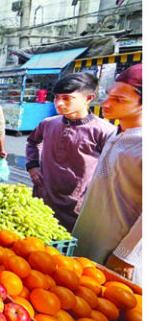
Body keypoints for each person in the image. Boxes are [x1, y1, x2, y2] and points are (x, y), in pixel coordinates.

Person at [73, 64, 142, 283]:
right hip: (88, 234)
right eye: (109, 96)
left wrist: (125, 255)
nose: (105, 104)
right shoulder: (116, 133)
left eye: (119, 100)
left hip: (117, 251)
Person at [25, 72, 117, 231]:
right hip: (43, 197)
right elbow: (32, 142)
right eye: (56, 97)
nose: (59, 103)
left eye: (67, 98)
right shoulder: (48, 124)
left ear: (88, 99)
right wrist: (33, 166)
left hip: (76, 205)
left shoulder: (104, 131)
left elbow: (113, 171)